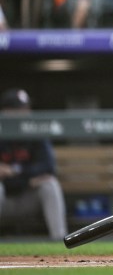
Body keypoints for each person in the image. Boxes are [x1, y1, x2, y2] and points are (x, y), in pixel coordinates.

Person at [0, 88, 67, 240]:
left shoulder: (35, 133)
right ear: (5, 111)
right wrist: (29, 178)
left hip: (27, 199)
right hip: (4, 199)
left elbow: (48, 167)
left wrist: (14, 171)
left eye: (26, 108)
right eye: (18, 110)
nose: (25, 113)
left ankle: (60, 241)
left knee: (50, 185)